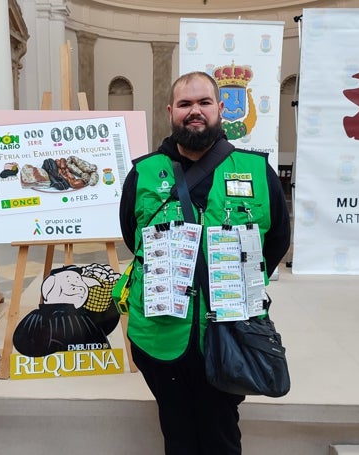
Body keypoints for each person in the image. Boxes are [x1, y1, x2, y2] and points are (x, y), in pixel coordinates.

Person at [119, 72, 291, 454]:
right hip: (160, 332)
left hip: (233, 333)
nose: (194, 111)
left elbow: (277, 238)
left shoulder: (255, 169)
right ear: (170, 112)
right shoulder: (144, 173)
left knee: (221, 434)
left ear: (219, 109)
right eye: (185, 104)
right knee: (176, 433)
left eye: (203, 103)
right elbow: (134, 238)